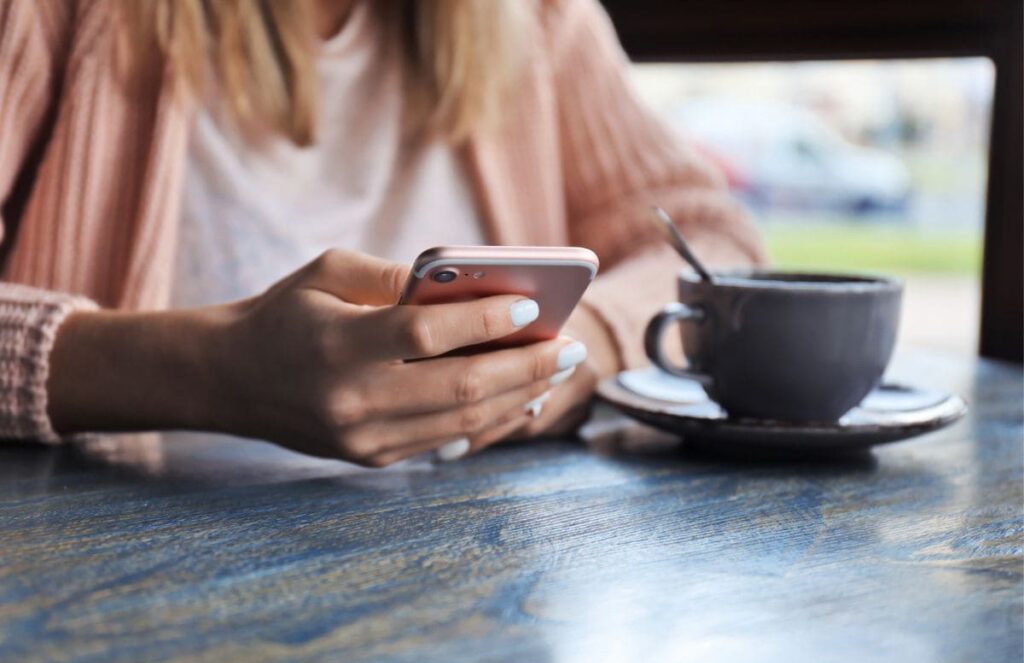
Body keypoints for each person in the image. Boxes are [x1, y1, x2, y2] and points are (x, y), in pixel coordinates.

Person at [0, 0, 765, 466]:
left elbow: (712, 236)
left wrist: (567, 357)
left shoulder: (534, 20)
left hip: (466, 585)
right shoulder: (60, 18)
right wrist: (205, 371)